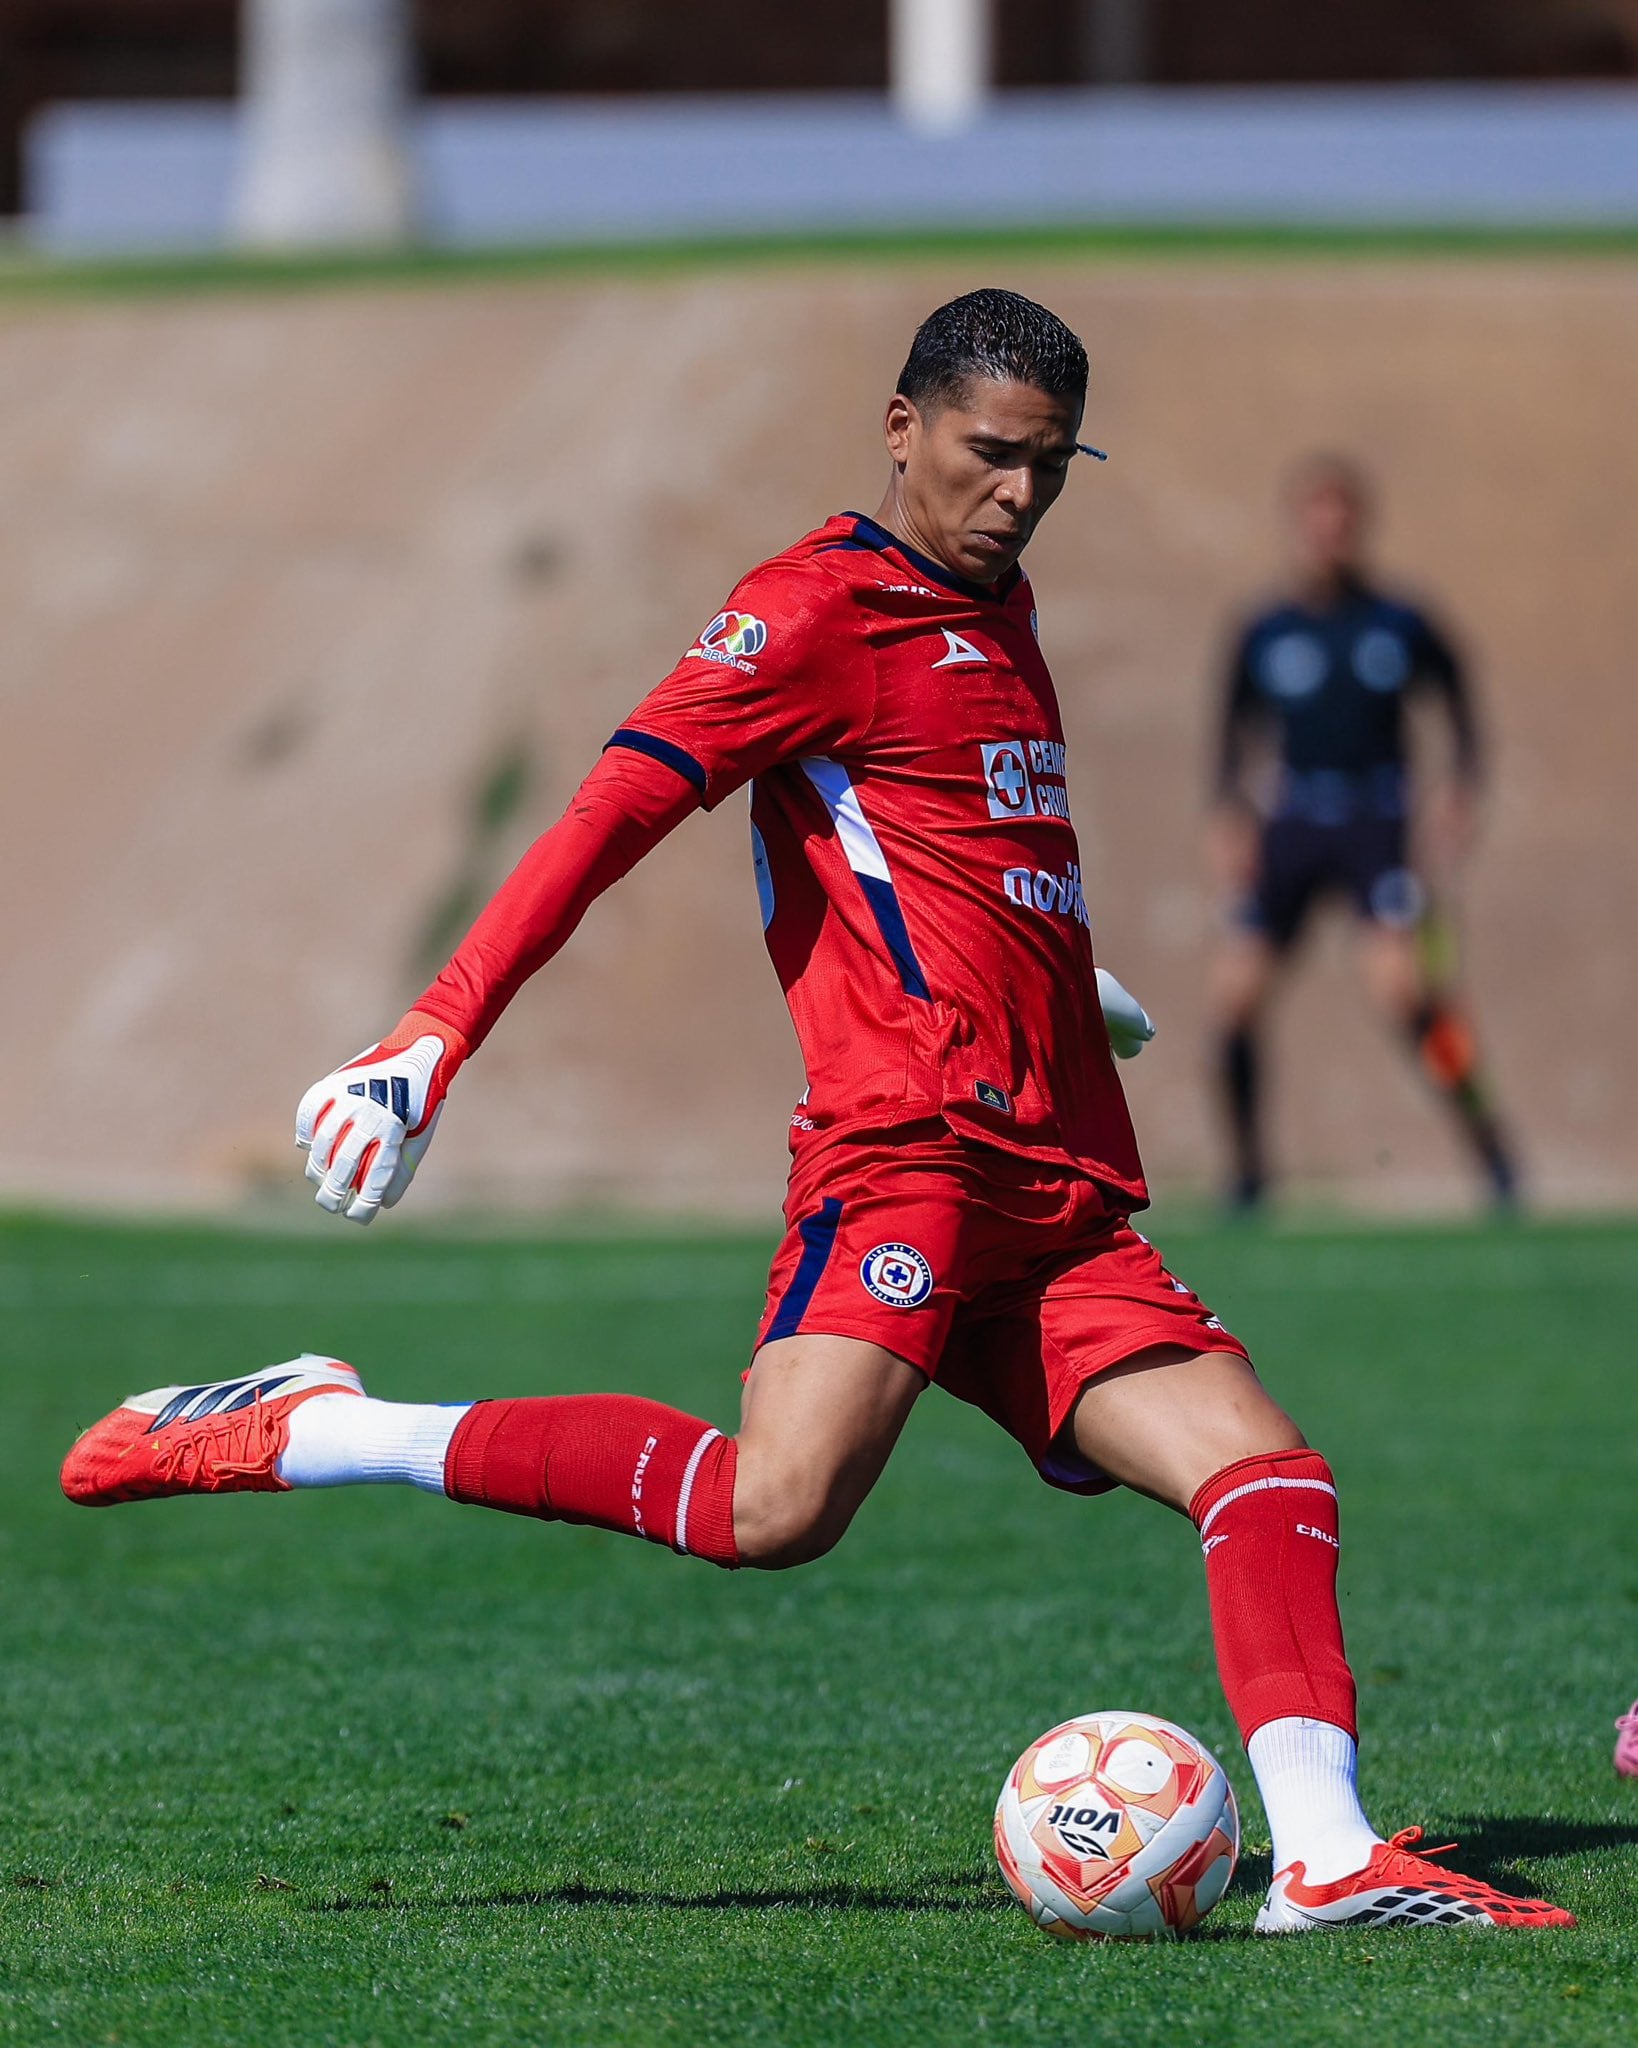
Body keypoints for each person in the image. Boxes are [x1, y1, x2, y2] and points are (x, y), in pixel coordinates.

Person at [62, 292, 1569, 1933]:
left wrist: (1074, 975)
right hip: (906, 1158)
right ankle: (320, 1426)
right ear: (901, 426)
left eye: (1051, 467)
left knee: (1265, 1471)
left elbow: (956, 853)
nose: (1016, 492)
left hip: (1054, 1183)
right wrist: (434, 1032)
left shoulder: (1000, 612)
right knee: (768, 1510)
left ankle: (1327, 1853)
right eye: (990, 454)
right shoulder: (806, 614)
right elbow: (610, 814)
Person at [1208, 454, 1518, 1211]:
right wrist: (1228, 817)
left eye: (1342, 519)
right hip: (1293, 821)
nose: (1329, 533)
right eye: (1317, 518)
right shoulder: (1264, 630)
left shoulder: (1397, 622)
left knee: (1409, 993)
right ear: (1297, 527)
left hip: (1376, 819)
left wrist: (1462, 785)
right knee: (1235, 999)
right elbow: (1230, 734)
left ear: (1359, 527)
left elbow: (1457, 693)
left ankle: (1492, 1153)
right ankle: (1248, 1177)